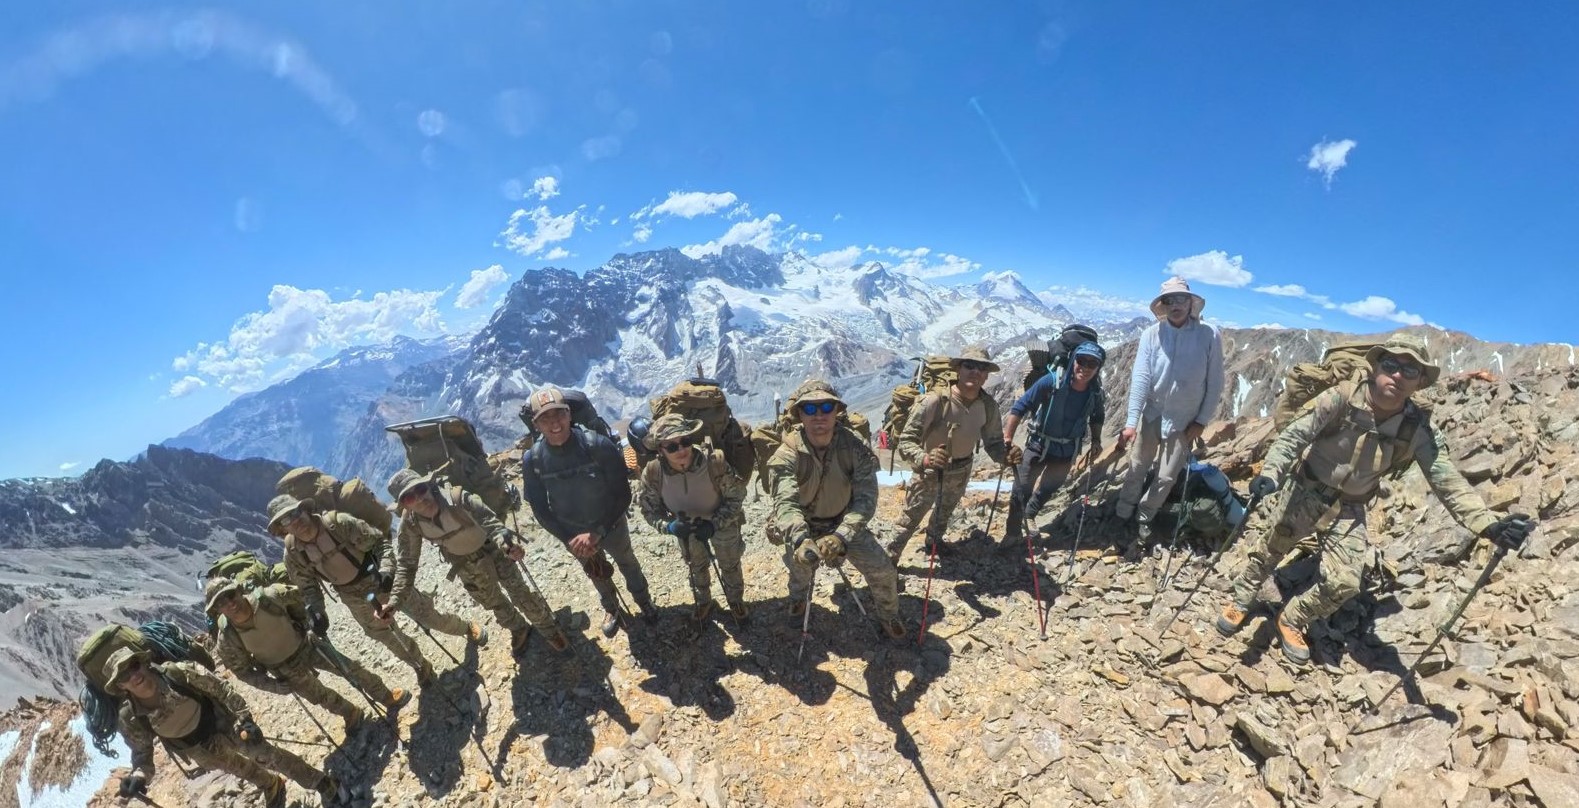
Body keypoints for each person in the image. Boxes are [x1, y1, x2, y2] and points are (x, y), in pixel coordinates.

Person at [1217, 333, 1536, 664]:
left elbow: (1447, 481)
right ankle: (1241, 599)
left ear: (1420, 383)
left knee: (1345, 582)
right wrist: (1270, 473)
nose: (1398, 375)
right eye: (1391, 364)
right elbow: (1294, 435)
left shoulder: (1416, 430)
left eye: (1410, 372)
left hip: (1348, 508)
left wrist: (1488, 525)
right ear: (1375, 366)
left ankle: (1292, 619)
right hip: (1305, 489)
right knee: (1269, 549)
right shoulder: (1341, 397)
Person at [269, 494, 483, 686]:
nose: (296, 521)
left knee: (426, 615)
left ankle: (465, 628)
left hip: (379, 578)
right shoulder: (294, 555)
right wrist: (317, 612)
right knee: (387, 636)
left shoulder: (338, 524)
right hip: (353, 596)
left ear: (305, 509)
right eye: (286, 520)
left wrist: (388, 570)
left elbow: (380, 543)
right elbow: (308, 588)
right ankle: (420, 666)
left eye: (296, 512)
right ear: (282, 529)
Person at [104, 646, 338, 808]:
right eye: (124, 675)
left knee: (268, 755)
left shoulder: (177, 673)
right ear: (120, 686)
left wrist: (244, 718)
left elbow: (221, 689)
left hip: (222, 722)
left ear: (143, 663)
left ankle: (320, 782)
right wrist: (138, 776)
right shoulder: (131, 717)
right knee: (239, 769)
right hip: (196, 747)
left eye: (133, 666)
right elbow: (143, 754)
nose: (133, 675)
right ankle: (271, 785)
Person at [767, 380, 905, 639]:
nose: (819, 415)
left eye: (826, 407)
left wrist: (842, 536)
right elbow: (785, 503)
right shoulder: (786, 454)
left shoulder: (854, 448)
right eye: (809, 409)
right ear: (799, 414)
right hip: (804, 525)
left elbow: (866, 498)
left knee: (883, 570)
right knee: (801, 569)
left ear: (836, 411)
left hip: (843, 522)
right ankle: (798, 601)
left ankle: (889, 615)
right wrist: (800, 538)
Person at [381, 469, 569, 655]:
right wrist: (394, 602)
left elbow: (491, 523)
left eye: (421, 490)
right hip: (466, 564)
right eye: (409, 498)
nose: (420, 499)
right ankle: (518, 627)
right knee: (494, 602)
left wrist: (507, 546)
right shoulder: (411, 524)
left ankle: (548, 629)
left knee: (520, 593)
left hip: (494, 550)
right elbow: (407, 565)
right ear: (404, 506)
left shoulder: (458, 498)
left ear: (429, 486)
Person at [521, 386, 656, 637]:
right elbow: (540, 508)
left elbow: (622, 494)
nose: (554, 423)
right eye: (545, 418)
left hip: (611, 524)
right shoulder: (533, 460)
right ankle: (611, 608)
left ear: (569, 414)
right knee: (595, 571)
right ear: (536, 424)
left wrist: (597, 532)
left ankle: (643, 600)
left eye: (559, 414)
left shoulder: (598, 445)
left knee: (627, 563)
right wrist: (570, 539)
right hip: (573, 533)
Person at [206, 578, 407, 734]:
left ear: (239, 591)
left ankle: (386, 696)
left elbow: (302, 601)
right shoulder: (227, 638)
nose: (230, 604)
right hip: (283, 669)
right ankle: (350, 713)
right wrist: (273, 685)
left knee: (350, 669)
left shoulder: (270, 597)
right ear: (217, 610)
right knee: (319, 696)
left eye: (231, 595)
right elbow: (243, 672)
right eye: (222, 603)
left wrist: (310, 624)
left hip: (307, 644)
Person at [1113, 277, 1225, 556]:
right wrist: (1131, 422)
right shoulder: (1152, 334)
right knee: (1138, 466)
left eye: (1181, 299)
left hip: (1184, 420)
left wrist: (1201, 420)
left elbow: (1216, 381)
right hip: (1153, 413)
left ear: (1191, 303)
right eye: (1169, 300)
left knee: (1166, 476)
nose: (1175, 305)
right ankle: (1122, 512)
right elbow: (1140, 378)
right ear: (1162, 305)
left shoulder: (1209, 334)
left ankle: (1144, 516)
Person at [887, 346, 1020, 560]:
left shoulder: (988, 407)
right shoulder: (934, 401)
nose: (975, 372)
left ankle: (934, 543)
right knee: (910, 517)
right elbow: (907, 440)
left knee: (944, 513)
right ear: (958, 369)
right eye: (969, 365)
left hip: (961, 469)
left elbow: (993, 443)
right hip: (930, 471)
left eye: (981, 368)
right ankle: (890, 558)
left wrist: (1006, 456)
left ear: (986, 376)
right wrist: (926, 458)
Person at [637, 414, 750, 622]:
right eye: (671, 447)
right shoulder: (653, 472)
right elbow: (648, 510)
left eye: (685, 442)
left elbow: (736, 497)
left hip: (721, 524)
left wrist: (715, 523)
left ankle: (735, 601)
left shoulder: (714, 462)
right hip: (686, 528)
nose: (680, 450)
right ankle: (703, 602)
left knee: (730, 564)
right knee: (696, 567)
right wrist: (670, 527)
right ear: (660, 449)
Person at [1002, 341, 1107, 543]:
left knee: (1050, 487)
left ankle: (1029, 515)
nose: (1084, 368)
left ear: (1098, 368)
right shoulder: (1051, 381)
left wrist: (1096, 440)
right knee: (1021, 489)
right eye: (1081, 361)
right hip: (1038, 445)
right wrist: (1007, 437)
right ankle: (1012, 533)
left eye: (1091, 364)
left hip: (1067, 449)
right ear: (1073, 360)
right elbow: (1020, 407)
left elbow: (1097, 417)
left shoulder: (1094, 393)